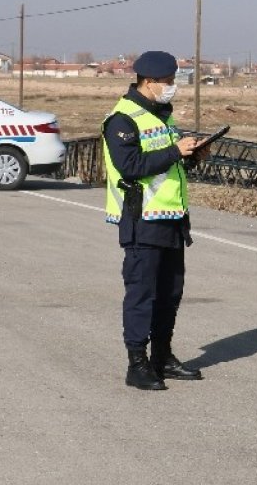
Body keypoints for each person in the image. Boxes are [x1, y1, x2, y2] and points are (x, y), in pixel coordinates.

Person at [103, 50, 207, 390]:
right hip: (142, 219)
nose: (172, 87)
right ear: (149, 82)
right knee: (141, 294)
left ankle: (162, 355)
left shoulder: (162, 117)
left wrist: (191, 155)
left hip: (172, 219)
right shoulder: (122, 119)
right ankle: (138, 363)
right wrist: (176, 151)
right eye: (168, 82)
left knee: (170, 293)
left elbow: (170, 166)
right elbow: (131, 166)